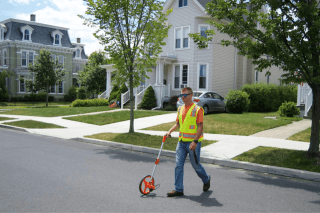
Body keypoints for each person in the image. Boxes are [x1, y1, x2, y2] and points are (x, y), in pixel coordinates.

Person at [165, 87, 211, 197]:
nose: (183, 98)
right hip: (181, 142)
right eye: (181, 95)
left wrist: (195, 141)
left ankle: (206, 179)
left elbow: (200, 127)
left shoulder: (198, 109)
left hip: (193, 143)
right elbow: (177, 124)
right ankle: (178, 189)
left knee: (195, 165)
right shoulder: (180, 109)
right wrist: (169, 131)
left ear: (191, 95)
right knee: (178, 165)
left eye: (185, 95)